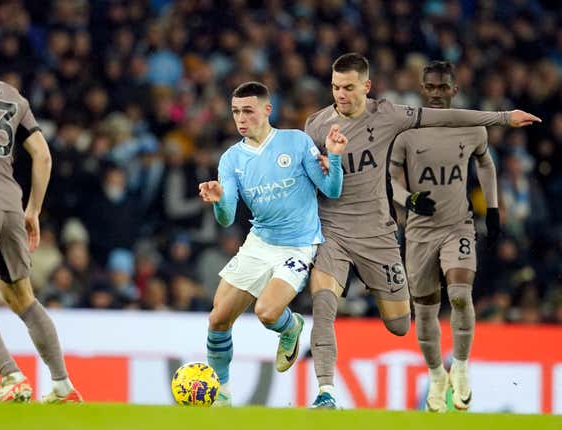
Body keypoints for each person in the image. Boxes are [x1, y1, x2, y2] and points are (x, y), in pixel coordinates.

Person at [304, 52, 540, 408]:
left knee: (401, 323)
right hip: (334, 232)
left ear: (366, 87)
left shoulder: (390, 116)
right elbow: (309, 176)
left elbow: (449, 118)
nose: (341, 94)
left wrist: (504, 118)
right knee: (322, 304)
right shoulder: (316, 126)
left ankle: (454, 363)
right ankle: (326, 391)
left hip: (379, 236)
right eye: (336, 87)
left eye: (349, 87)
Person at [0, 20, 82, 403]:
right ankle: (61, 385)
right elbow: (42, 154)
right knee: (21, 298)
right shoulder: (12, 96)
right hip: (10, 205)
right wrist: (33, 211)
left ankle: (11, 378)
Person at [198, 81, 346, 406]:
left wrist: (333, 159)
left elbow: (331, 190)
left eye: (248, 110)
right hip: (259, 243)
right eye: (236, 111)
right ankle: (221, 391)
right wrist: (220, 201)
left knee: (267, 312)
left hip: (297, 246)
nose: (241, 118)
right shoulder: (231, 159)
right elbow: (226, 218)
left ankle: (290, 325)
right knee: (218, 319)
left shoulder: (295, 142)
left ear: (267, 109)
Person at [389, 60, 500, 412]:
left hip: (458, 226)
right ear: (423, 89)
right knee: (424, 309)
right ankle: (437, 375)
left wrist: (493, 209)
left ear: (454, 88)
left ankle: (462, 367)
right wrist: (408, 200)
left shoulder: (472, 128)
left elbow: (485, 162)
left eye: (443, 88)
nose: (436, 94)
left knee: (461, 293)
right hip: (420, 232)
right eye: (430, 88)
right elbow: (389, 178)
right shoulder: (406, 131)